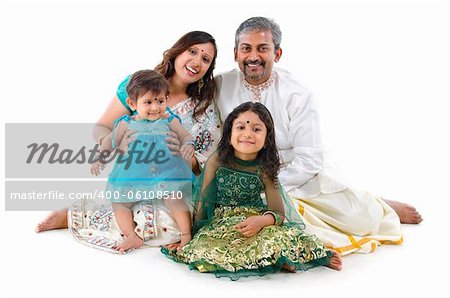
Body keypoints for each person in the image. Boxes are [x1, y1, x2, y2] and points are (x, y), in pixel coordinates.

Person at [215, 17, 422, 255]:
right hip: (242, 170)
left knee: (359, 220)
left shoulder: (297, 92)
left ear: (277, 53)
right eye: (246, 48)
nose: (253, 56)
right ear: (235, 53)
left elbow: (310, 159)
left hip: (295, 173)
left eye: (263, 48)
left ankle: (377, 204)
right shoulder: (221, 84)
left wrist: (265, 185)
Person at [35, 31, 221, 253]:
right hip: (135, 172)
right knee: (123, 202)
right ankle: (74, 215)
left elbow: (208, 161)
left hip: (172, 179)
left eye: (205, 59)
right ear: (178, 51)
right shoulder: (139, 84)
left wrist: (187, 158)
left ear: (209, 69)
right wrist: (117, 143)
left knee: (172, 219)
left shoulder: (203, 107)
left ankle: (139, 227)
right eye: (192, 51)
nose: (196, 62)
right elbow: (102, 128)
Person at [162, 102, 342, 280]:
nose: (247, 134)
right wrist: (192, 236)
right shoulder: (217, 160)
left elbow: (279, 214)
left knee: (279, 237)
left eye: (256, 130)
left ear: (267, 139)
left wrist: (262, 220)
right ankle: (273, 259)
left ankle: (292, 256)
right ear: (229, 134)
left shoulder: (266, 167)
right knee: (207, 247)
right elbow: (203, 201)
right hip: (223, 224)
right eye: (240, 127)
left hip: (257, 221)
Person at [91, 70, 194, 253]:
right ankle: (131, 236)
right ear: (132, 103)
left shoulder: (169, 119)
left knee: (174, 197)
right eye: (148, 102)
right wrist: (100, 158)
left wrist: (187, 144)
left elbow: (185, 135)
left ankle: (186, 235)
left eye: (160, 101)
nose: (155, 107)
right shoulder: (126, 123)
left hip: (165, 171)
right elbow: (110, 142)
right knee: (119, 201)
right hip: (133, 174)